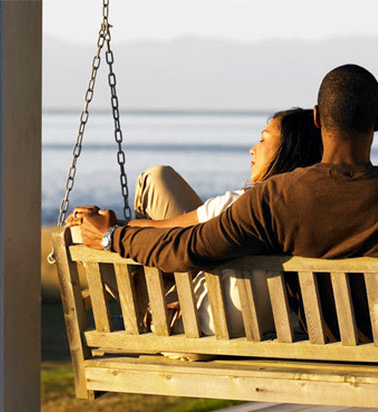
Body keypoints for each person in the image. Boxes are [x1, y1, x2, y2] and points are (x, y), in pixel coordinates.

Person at [71, 64, 378, 412]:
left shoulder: (276, 197)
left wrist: (111, 236)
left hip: (335, 340)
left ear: (317, 119)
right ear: (377, 122)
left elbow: (187, 248)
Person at [66, 108, 322, 338]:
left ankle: (142, 310)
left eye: (264, 140)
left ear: (289, 151)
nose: (252, 148)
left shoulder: (240, 206)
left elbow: (170, 237)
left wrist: (108, 230)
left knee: (85, 230)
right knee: (157, 189)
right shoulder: (308, 209)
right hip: (271, 328)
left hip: (190, 330)